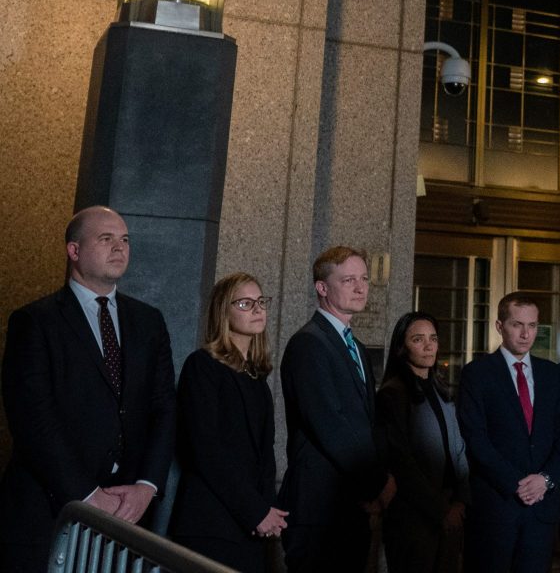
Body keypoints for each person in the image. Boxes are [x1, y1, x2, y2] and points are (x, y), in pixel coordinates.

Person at [0, 206, 176, 573]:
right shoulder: (34, 322)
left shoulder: (149, 322)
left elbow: (164, 409)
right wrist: (86, 495)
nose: (120, 247)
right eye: (105, 238)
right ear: (74, 251)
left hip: (129, 518)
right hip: (49, 513)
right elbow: (32, 419)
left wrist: (146, 485)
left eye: (125, 239)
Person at [279, 246, 394, 573]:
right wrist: (377, 485)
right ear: (322, 287)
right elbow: (330, 424)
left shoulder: (354, 345)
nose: (361, 288)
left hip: (350, 504)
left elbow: (368, 422)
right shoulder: (309, 343)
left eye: (364, 279)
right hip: (319, 508)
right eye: (348, 280)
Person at [170, 273, 286, 572]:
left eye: (261, 301)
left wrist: (268, 510)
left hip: (252, 527)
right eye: (246, 303)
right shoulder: (202, 366)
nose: (258, 309)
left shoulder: (256, 375)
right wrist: (256, 511)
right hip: (211, 523)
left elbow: (264, 453)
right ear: (224, 311)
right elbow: (204, 449)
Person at [458, 293, 560, 573]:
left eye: (533, 326)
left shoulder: (552, 374)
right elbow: (475, 439)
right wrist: (518, 484)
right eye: (517, 325)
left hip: (542, 508)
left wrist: (545, 480)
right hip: (497, 505)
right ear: (500, 326)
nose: (526, 334)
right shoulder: (477, 373)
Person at [376, 311, 470, 573]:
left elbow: (458, 450)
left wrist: (461, 501)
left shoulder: (442, 389)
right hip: (414, 517)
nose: (429, 346)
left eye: (433, 338)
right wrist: (441, 510)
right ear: (402, 347)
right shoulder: (393, 394)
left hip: (451, 510)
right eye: (418, 339)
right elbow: (402, 462)